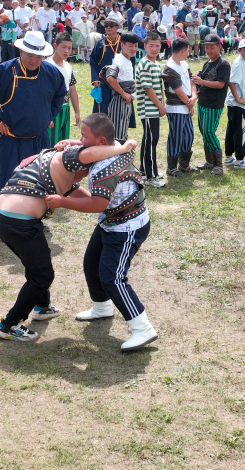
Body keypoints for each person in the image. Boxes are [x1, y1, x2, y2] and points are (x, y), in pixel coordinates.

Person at [0, 120, 138, 342]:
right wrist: (124, 148)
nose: (87, 177)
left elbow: (93, 203)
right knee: (42, 275)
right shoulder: (69, 159)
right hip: (20, 223)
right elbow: (87, 154)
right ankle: (10, 324)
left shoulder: (54, 160)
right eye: (89, 171)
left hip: (4, 216)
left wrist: (111, 205)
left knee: (37, 266)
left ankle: (42, 307)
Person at [47, 114, 157, 352]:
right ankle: (102, 307)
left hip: (126, 227)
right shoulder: (113, 147)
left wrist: (62, 201)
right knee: (92, 263)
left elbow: (97, 204)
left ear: (101, 140)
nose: (80, 140)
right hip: (111, 221)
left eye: (84, 136)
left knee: (112, 277)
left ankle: (142, 328)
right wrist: (73, 143)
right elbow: (91, 149)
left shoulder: (108, 168)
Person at [0, 30, 67, 192]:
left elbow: (60, 93)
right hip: (12, 140)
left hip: (41, 140)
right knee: (10, 184)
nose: (34, 60)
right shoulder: (5, 70)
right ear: (21, 51)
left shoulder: (51, 72)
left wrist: (50, 116)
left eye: (38, 56)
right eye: (30, 55)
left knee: (40, 183)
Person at [193, 34, 232, 174]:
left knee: (210, 132)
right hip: (202, 102)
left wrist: (201, 82)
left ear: (219, 47)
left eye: (212, 48)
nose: (209, 50)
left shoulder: (223, 64)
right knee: (204, 132)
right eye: (207, 47)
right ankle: (209, 161)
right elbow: (202, 79)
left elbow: (221, 84)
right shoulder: (207, 63)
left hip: (214, 104)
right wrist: (197, 79)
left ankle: (218, 165)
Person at [135, 31, 165, 186]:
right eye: (151, 46)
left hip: (154, 109)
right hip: (147, 109)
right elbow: (148, 88)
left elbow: (158, 87)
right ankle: (151, 176)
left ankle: (145, 171)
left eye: (157, 46)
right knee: (151, 140)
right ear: (145, 46)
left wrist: (162, 104)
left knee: (150, 140)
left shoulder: (155, 63)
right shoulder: (145, 63)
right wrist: (160, 106)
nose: (154, 49)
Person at [162, 38, 196, 175]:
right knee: (175, 137)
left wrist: (193, 98)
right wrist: (190, 104)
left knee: (189, 135)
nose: (188, 53)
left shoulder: (184, 64)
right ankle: (171, 167)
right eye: (187, 51)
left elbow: (192, 81)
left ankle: (184, 165)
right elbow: (179, 91)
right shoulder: (169, 68)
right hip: (176, 107)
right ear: (183, 50)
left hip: (186, 105)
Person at [101, 31, 139, 143]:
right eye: (130, 46)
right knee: (117, 135)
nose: (133, 49)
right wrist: (123, 93)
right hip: (119, 100)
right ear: (122, 45)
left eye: (136, 46)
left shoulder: (127, 60)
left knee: (122, 132)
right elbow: (110, 78)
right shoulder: (119, 60)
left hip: (125, 100)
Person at [223, 37, 245, 167]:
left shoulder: (244, 62)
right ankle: (240, 160)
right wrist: (238, 99)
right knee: (242, 130)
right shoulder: (239, 63)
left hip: (234, 102)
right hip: (237, 103)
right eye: (244, 50)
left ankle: (229, 157)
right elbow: (232, 82)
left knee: (232, 129)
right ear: (239, 50)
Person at [45, 32, 80, 146]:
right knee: (51, 144)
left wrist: (77, 112)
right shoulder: (47, 65)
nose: (66, 51)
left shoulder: (68, 66)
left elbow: (72, 90)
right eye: (63, 47)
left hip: (65, 108)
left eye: (69, 48)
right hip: (52, 109)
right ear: (55, 46)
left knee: (63, 143)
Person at [89, 13, 122, 114]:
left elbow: (131, 61)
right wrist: (95, 79)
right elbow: (93, 61)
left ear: (117, 27)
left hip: (119, 81)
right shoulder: (101, 43)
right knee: (102, 111)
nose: (108, 27)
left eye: (111, 25)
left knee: (118, 111)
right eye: (106, 25)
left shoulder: (123, 43)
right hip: (103, 82)